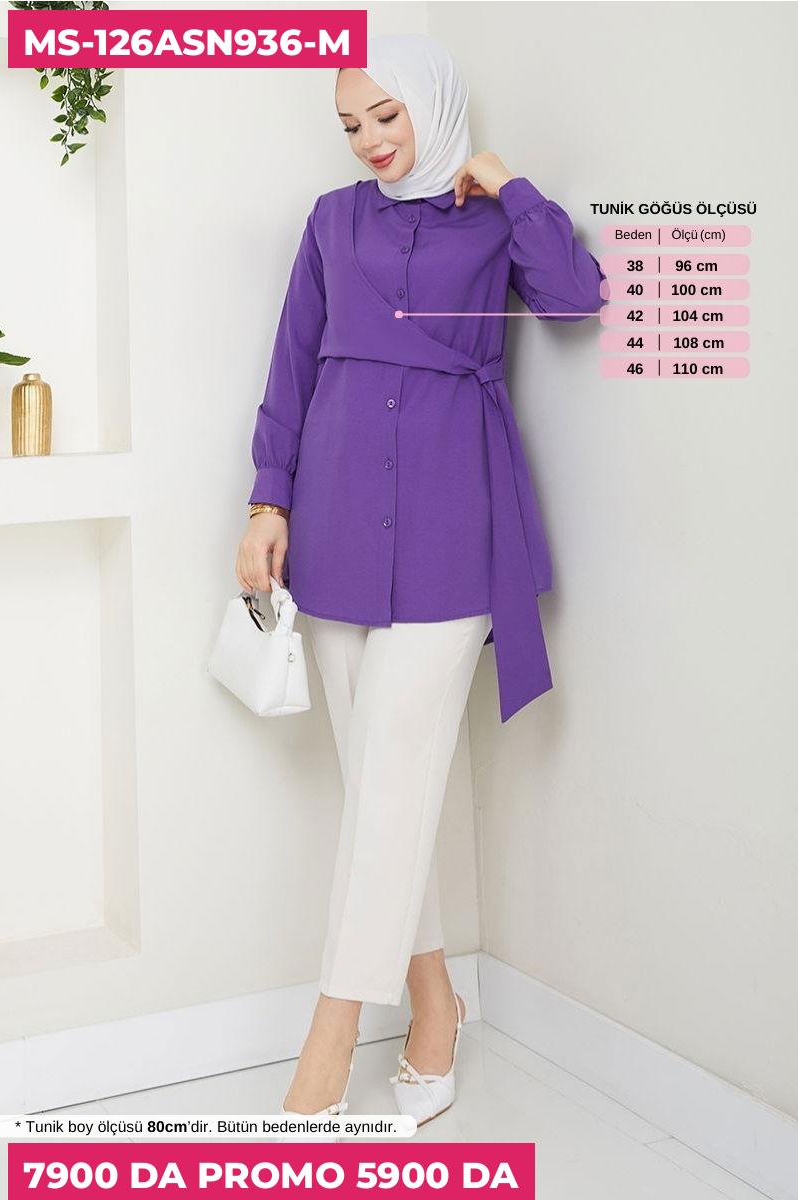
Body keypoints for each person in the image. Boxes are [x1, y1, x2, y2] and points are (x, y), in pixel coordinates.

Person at [235, 33, 605, 1126]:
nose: (370, 141)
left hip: (452, 518)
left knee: (393, 778)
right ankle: (435, 1001)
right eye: (351, 124)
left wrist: (509, 182)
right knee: (381, 789)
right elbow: (291, 361)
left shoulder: (491, 218)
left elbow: (577, 299)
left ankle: (331, 1032)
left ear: (432, 105)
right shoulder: (330, 220)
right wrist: (266, 502)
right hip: (336, 517)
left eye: (387, 115)